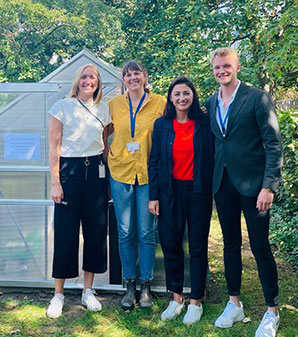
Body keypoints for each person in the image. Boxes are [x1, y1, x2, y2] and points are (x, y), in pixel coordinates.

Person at [206, 47, 283, 337]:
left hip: (255, 187)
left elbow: (273, 144)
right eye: (217, 67)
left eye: (226, 66)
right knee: (230, 245)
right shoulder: (212, 103)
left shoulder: (257, 98)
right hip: (223, 184)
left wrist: (268, 186)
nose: (221, 71)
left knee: (260, 247)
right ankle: (234, 303)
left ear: (237, 67)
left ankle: (271, 311)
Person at [46, 64, 112, 319]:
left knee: (96, 232)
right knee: (65, 232)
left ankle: (88, 290)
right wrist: (55, 182)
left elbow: (105, 146)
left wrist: (107, 181)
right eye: (83, 77)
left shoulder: (104, 109)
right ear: (77, 81)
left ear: (97, 82)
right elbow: (54, 147)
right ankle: (59, 294)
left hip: (95, 172)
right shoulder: (61, 107)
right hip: (69, 173)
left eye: (92, 77)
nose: (88, 81)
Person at [148, 76, 214, 324]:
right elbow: (154, 161)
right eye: (177, 94)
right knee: (170, 244)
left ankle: (195, 301)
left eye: (186, 93)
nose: (182, 98)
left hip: (198, 192)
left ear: (193, 96)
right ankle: (176, 298)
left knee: (197, 246)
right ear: (171, 98)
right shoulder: (162, 124)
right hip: (169, 192)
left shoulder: (204, 122)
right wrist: (153, 195)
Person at [106, 60, 166, 310]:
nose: (132, 78)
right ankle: (129, 284)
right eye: (127, 75)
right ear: (123, 80)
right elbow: (101, 131)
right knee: (125, 231)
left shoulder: (161, 103)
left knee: (146, 232)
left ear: (145, 76)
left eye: (136, 73)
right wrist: (107, 157)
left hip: (148, 175)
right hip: (120, 173)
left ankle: (146, 285)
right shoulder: (113, 105)